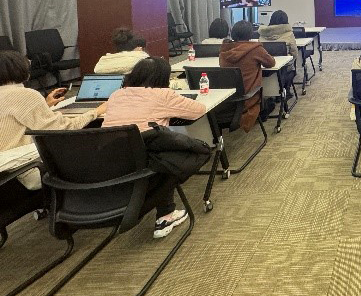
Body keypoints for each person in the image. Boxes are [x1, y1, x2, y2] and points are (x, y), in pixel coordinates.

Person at [103, 57, 207, 239]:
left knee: (164, 156)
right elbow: (199, 110)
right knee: (186, 156)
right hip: (145, 158)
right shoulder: (163, 95)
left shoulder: (116, 95)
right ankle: (158, 211)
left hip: (111, 160)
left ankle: (165, 212)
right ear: (163, 78)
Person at [0, 50, 105, 195]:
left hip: (6, 171)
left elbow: (12, 120)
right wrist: (96, 111)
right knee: (92, 143)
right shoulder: (25, 95)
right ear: (23, 71)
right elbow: (63, 129)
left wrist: (44, 105)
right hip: (26, 170)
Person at [219, 21, 276, 132]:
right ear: (250, 34)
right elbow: (271, 63)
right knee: (270, 103)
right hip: (247, 97)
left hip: (226, 99)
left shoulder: (224, 49)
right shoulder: (255, 49)